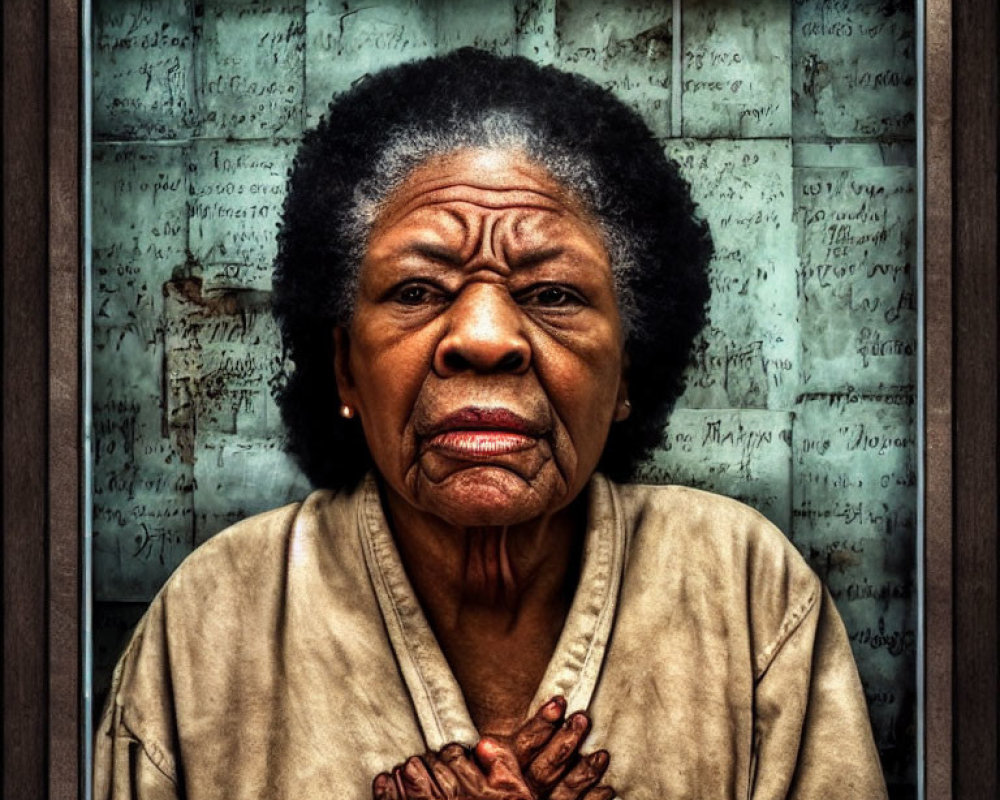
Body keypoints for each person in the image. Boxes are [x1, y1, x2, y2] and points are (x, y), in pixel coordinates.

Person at [95, 49, 887, 799]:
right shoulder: (216, 617)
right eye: (416, 291)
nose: (484, 338)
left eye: (551, 294)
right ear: (344, 370)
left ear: (626, 374)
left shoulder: (745, 591)